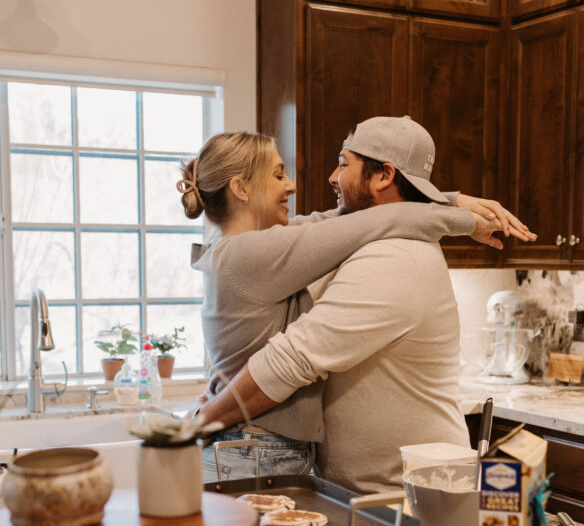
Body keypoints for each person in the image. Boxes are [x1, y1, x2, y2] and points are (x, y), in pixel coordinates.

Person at [193, 116, 537, 493]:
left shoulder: (395, 255)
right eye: (278, 175)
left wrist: (207, 415)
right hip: (342, 485)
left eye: (343, 163)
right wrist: (454, 210)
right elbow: (351, 222)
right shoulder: (270, 249)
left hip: (406, 496)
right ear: (240, 189)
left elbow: (290, 360)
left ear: (383, 176)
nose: (328, 177)